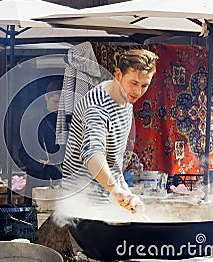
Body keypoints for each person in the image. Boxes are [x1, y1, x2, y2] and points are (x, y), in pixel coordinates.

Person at [61, 49, 158, 213]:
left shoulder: (125, 99)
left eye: (144, 85)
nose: (138, 91)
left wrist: (125, 192)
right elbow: (93, 154)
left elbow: (113, 161)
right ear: (118, 75)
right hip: (81, 200)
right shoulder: (97, 108)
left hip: (105, 197)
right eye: (134, 83)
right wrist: (115, 189)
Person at [18, 79, 65, 205]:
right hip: (37, 179)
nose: (58, 107)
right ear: (46, 98)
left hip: (62, 181)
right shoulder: (32, 123)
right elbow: (22, 153)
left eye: (61, 103)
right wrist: (39, 163)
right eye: (55, 102)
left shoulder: (68, 124)